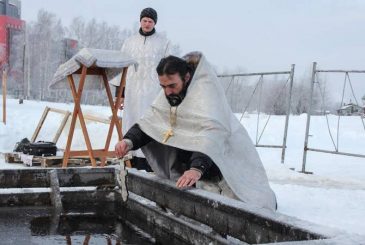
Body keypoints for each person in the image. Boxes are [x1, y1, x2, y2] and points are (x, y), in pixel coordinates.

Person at [115, 52, 277, 211]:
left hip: (220, 166)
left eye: (172, 86)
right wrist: (128, 141)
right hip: (189, 168)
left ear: (186, 78)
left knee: (239, 207)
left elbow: (210, 136)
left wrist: (196, 168)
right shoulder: (170, 94)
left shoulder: (206, 95)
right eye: (163, 87)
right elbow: (151, 122)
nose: (167, 92)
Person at [110, 7, 170, 171]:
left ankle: (151, 161)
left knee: (151, 122)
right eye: (145, 20)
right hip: (132, 91)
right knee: (132, 122)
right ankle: (131, 160)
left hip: (153, 92)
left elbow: (169, 68)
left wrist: (168, 92)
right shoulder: (129, 42)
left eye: (150, 21)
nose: (147, 23)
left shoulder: (163, 42)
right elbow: (121, 67)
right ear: (140, 21)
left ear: (155, 23)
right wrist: (120, 94)